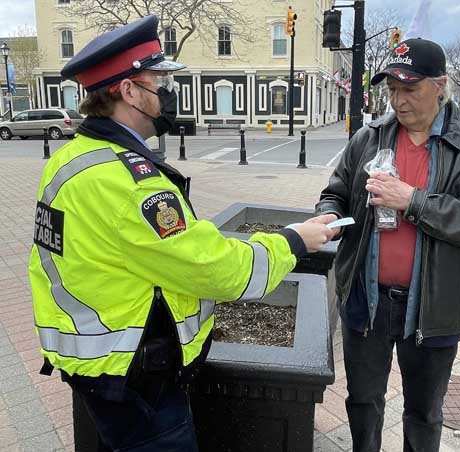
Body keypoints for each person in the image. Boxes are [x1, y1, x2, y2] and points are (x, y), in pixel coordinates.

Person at [28, 15, 334, 451]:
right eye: (159, 80)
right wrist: (293, 240)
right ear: (129, 91)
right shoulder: (125, 182)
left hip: (95, 366)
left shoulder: (72, 158)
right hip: (136, 379)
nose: (167, 92)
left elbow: (148, 247)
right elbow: (216, 271)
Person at [315, 38, 460, 452]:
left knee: (424, 411)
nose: (398, 101)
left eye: (409, 89)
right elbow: (336, 188)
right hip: (365, 300)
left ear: (439, 85)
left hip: (433, 306)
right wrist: (329, 213)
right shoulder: (369, 138)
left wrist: (413, 201)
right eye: (391, 90)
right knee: (362, 401)